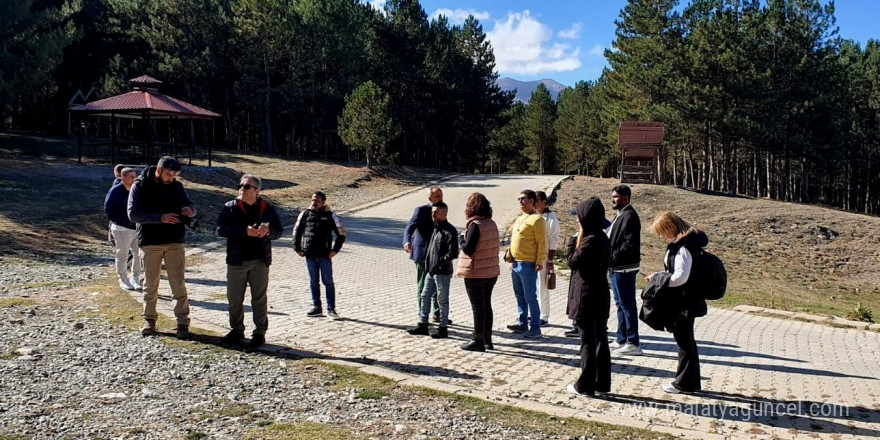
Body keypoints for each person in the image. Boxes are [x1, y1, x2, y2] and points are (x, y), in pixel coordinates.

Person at [128, 156, 197, 339]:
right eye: (168, 174)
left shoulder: (176, 186)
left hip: (175, 240)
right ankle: (149, 320)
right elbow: (133, 214)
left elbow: (190, 204)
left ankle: (183, 322)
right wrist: (160, 218)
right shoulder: (140, 185)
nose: (171, 177)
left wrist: (190, 210)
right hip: (150, 242)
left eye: (175, 174)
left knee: (178, 283)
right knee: (150, 284)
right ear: (158, 170)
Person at [216, 175, 283, 347]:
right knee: (234, 298)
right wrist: (244, 231)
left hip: (260, 260)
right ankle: (237, 330)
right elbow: (220, 230)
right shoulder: (230, 207)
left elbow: (278, 231)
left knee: (259, 299)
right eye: (240, 185)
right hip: (236, 260)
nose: (242, 189)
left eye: (246, 187)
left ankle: (260, 332)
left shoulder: (267, 208)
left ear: (257, 190)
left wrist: (267, 232)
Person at [646, 211, 709, 394]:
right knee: (686, 341)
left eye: (662, 231)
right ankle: (690, 382)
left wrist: (659, 280)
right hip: (686, 299)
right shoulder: (684, 244)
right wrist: (659, 275)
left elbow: (681, 277)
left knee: (684, 342)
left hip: (683, 301)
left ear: (670, 228)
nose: (661, 236)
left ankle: (683, 384)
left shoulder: (684, 247)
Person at [565, 197, 612, 397]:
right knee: (600, 339)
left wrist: (571, 244)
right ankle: (601, 382)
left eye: (579, 217)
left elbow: (572, 262)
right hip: (600, 294)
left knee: (588, 342)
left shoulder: (590, 241)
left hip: (587, 295)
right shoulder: (602, 237)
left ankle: (585, 385)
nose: (577, 221)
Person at [407, 202, 458, 339]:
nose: (433, 215)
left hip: (442, 272)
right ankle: (422, 324)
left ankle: (443, 328)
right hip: (431, 270)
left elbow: (453, 253)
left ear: (444, 213)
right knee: (425, 295)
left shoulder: (450, 230)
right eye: (432, 212)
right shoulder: (435, 228)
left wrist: (439, 263)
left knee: (442, 300)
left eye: (436, 212)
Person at [456, 193, 500, 351]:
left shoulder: (475, 225)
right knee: (486, 305)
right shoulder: (492, 223)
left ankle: (478, 340)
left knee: (478, 307)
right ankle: (488, 339)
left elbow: (468, 248)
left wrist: (461, 238)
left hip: (475, 273)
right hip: (491, 272)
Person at [293, 191, 346, 319]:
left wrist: (335, 250)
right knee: (313, 282)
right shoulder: (305, 214)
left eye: (317, 200)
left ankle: (331, 309)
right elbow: (297, 231)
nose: (314, 202)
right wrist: (297, 248)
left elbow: (341, 233)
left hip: (325, 255)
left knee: (328, 282)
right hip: (309, 254)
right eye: (312, 200)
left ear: (323, 202)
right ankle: (317, 307)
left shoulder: (330, 216)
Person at [505, 190, 547, 339]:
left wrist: (540, 261)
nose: (520, 201)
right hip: (516, 263)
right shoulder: (520, 218)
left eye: (523, 199)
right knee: (519, 295)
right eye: (519, 198)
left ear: (531, 201)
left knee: (530, 297)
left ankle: (535, 328)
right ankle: (522, 322)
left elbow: (542, 242)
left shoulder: (537, 220)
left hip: (528, 263)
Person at [607, 184, 643, 355]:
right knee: (620, 304)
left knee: (628, 305)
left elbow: (629, 244)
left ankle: (633, 342)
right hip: (616, 267)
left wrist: (612, 257)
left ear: (625, 198)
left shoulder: (630, 216)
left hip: (625, 268)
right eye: (613, 196)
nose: (612, 199)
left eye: (616, 197)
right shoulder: (620, 215)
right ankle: (621, 338)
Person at [403, 186, 443, 322]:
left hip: (437, 254)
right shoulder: (421, 210)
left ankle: (437, 314)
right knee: (423, 285)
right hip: (422, 253)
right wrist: (406, 241)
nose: (440, 198)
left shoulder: (443, 209)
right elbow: (410, 227)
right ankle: (422, 314)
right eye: (437, 196)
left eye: (441, 195)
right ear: (430, 198)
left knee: (437, 284)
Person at [104, 167, 142, 291]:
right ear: (123, 177)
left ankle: (136, 278)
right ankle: (123, 279)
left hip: (136, 227)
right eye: (131, 177)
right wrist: (122, 221)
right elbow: (108, 210)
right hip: (121, 228)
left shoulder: (136, 190)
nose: (134, 179)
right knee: (122, 255)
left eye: (134, 176)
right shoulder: (115, 191)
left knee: (139, 254)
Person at [535, 190, 560, 326]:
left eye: (537, 201)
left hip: (544, 257)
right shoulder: (532, 216)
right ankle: (533, 313)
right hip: (531, 256)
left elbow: (554, 240)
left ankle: (543, 316)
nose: (534, 204)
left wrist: (550, 260)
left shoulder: (551, 218)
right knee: (532, 287)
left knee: (542, 286)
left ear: (544, 202)